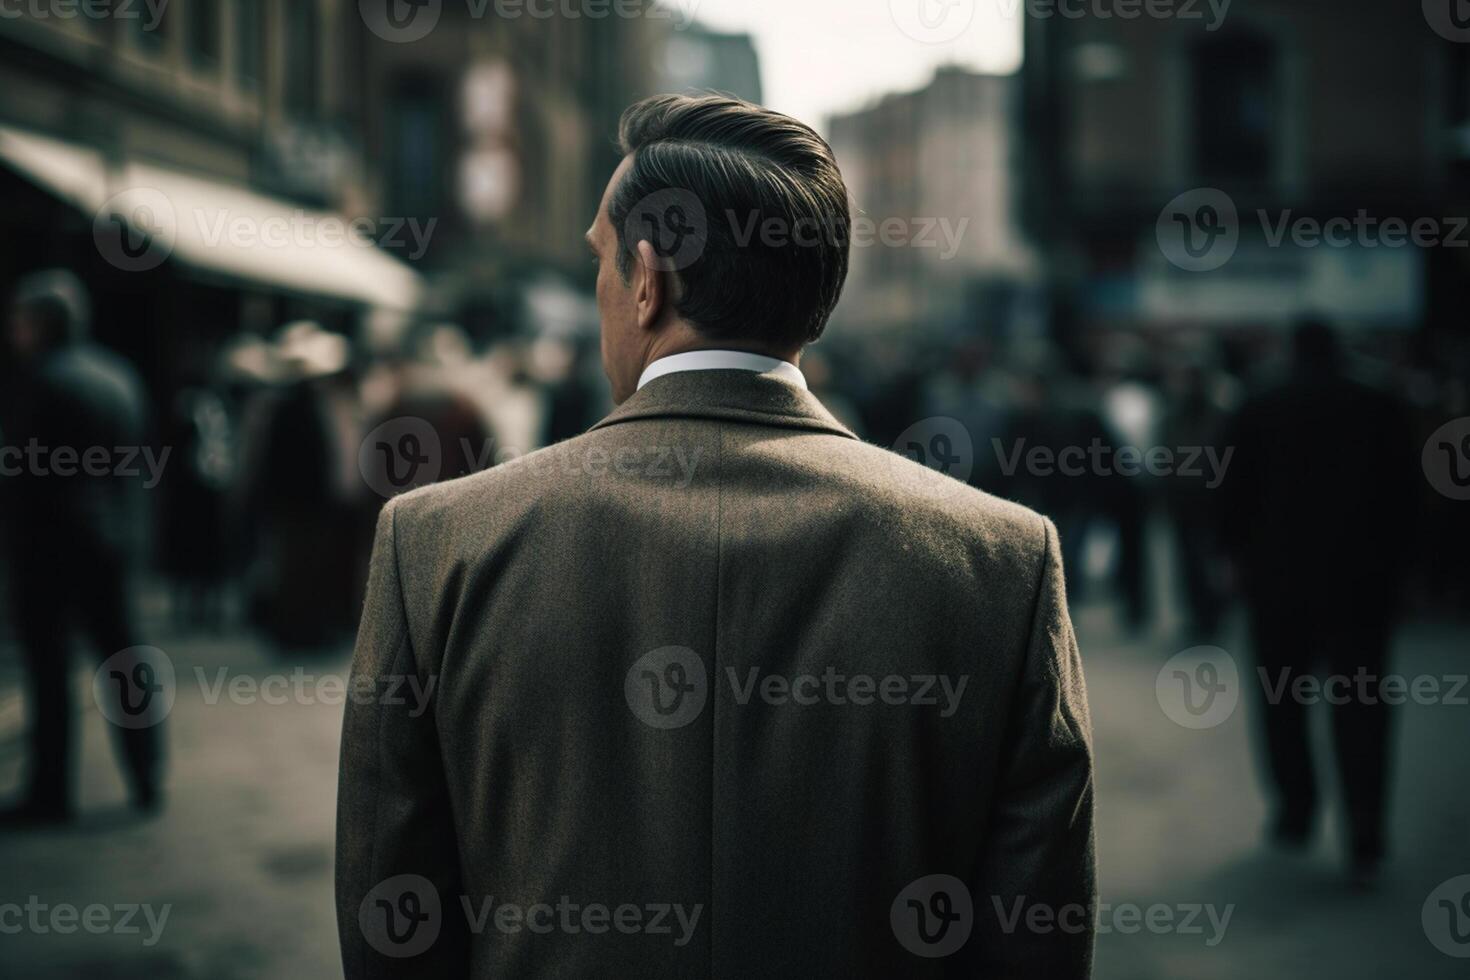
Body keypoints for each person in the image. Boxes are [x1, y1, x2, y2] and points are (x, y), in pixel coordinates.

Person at [336, 95, 1095, 977]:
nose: (600, 291)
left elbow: (395, 916)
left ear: (648, 278)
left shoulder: (438, 545)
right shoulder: (1002, 563)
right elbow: (1036, 939)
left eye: (600, 262)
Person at [1220, 319, 1416, 885]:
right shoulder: (1379, 402)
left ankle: (1296, 809)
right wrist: (1405, 572)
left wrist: (1231, 556)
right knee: (1362, 705)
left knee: (1283, 701)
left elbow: (1230, 491)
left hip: (1276, 583)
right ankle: (1365, 827)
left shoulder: (1258, 402)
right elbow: (1406, 492)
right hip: (1361, 584)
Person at [0, 270, 164, 823]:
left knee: (50, 669)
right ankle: (147, 775)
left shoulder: (43, 379)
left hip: (55, 546)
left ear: (41, 323)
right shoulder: (119, 377)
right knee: (124, 661)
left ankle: (50, 790)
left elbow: (24, 478)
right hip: (116, 542)